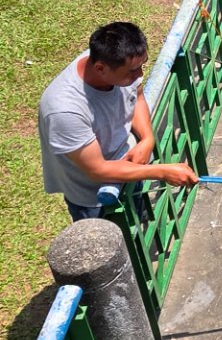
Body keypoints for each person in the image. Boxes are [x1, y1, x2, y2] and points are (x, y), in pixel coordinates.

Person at [39, 22, 198, 221]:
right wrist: (162, 171)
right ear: (100, 68)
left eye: (142, 65)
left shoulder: (118, 63)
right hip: (95, 198)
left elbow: (137, 96)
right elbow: (98, 170)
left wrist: (147, 139)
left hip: (131, 167)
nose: (140, 75)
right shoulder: (64, 110)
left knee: (138, 225)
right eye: (132, 71)